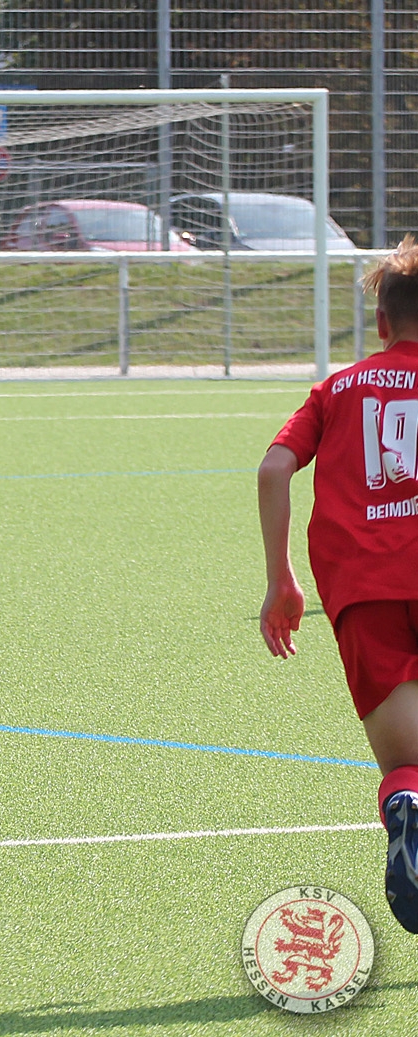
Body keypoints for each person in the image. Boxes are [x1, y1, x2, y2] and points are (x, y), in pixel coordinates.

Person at [258, 235, 418, 933]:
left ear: (380, 322)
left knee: (406, 764)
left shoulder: (337, 387)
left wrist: (281, 580)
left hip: (362, 587)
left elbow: (273, 467)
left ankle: (407, 806)